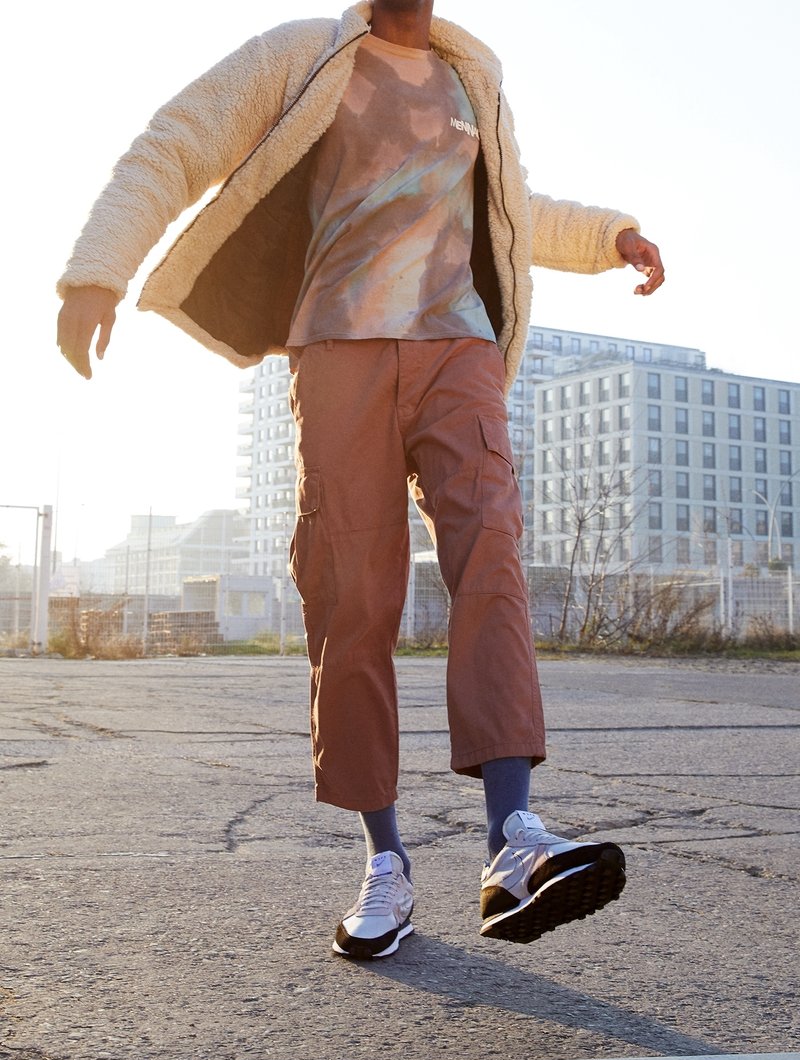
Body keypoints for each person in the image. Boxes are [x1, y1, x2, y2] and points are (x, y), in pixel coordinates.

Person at [57, 0, 665, 960]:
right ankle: (386, 860)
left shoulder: (474, 73)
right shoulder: (303, 55)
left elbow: (512, 204)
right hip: (339, 348)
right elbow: (178, 140)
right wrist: (99, 270)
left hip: (458, 348)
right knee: (352, 596)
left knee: (492, 556)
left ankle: (514, 840)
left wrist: (611, 237)